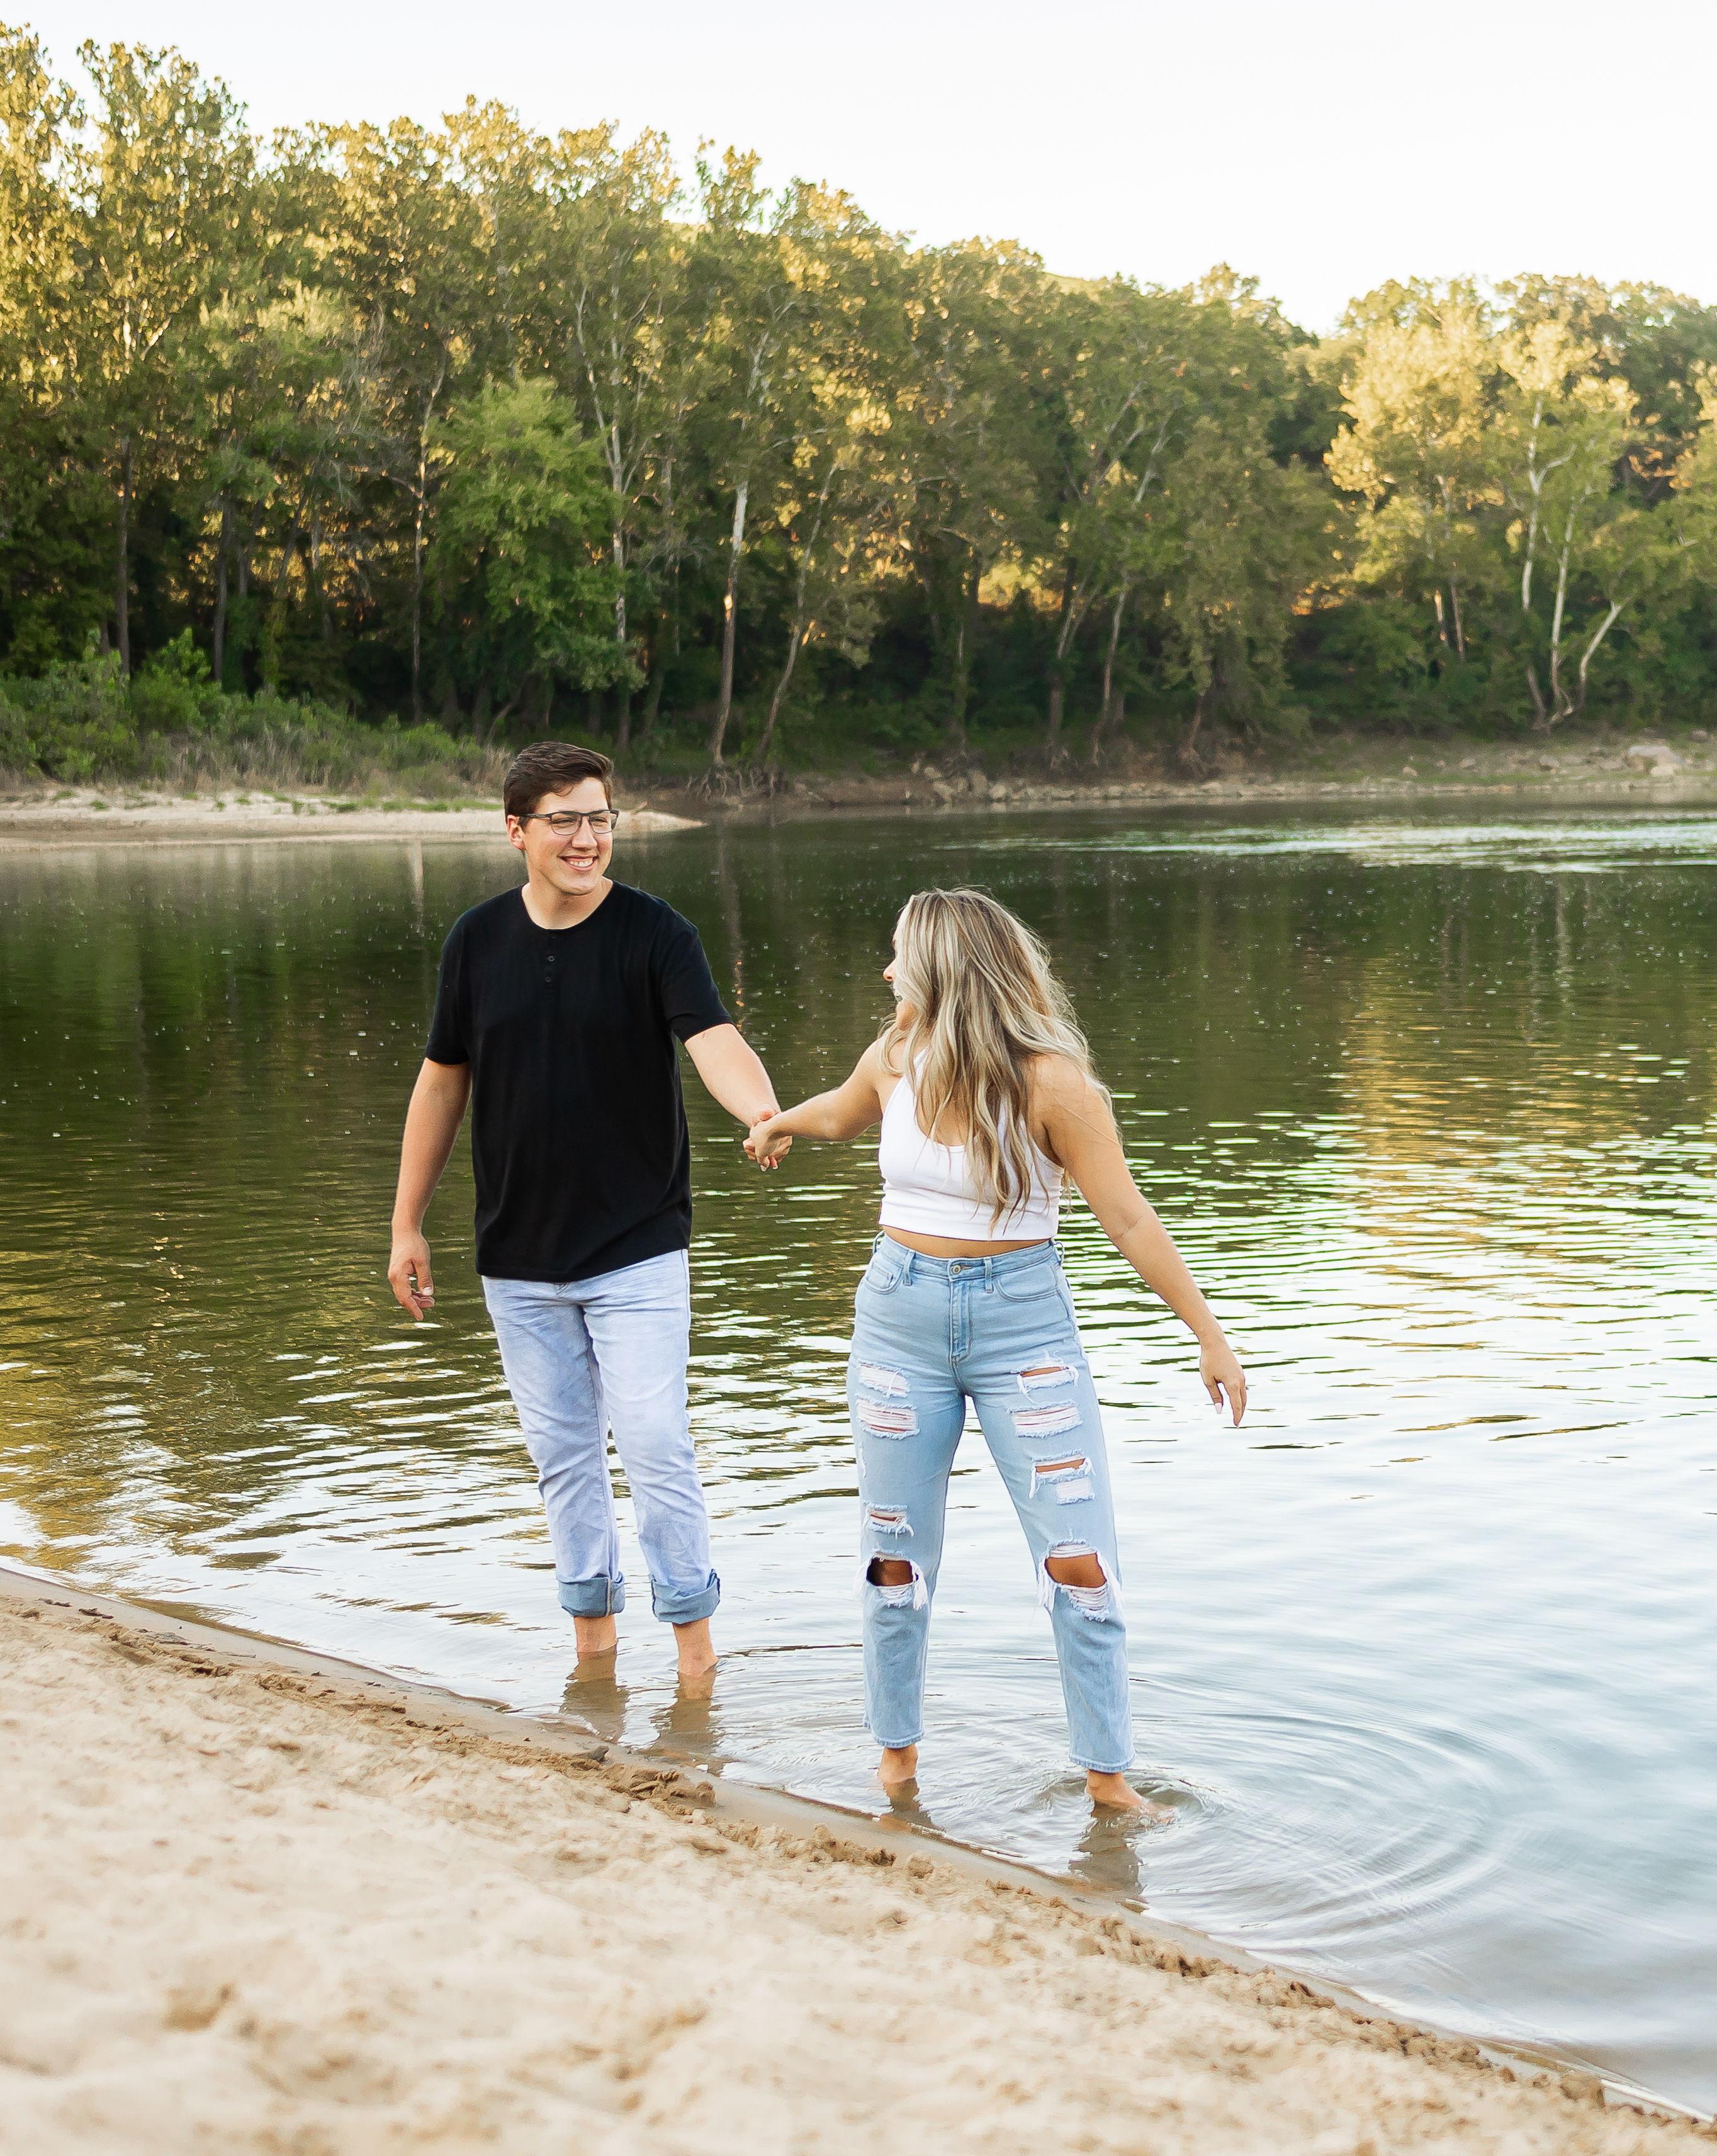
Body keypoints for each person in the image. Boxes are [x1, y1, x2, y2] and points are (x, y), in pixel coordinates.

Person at [745, 887, 1246, 1816]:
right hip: (898, 1321)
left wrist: (1208, 1335)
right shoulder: (895, 1055)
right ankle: (896, 1764)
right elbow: (844, 1114)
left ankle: (1108, 1782)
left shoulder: (1055, 1083)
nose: (887, 972)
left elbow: (1129, 1218)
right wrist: (781, 1123)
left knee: (1079, 1561)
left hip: (1025, 1328)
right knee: (893, 1560)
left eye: (901, 958)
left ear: (944, 971)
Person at [386, 742, 781, 1686]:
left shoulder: (656, 933)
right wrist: (407, 1223)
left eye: (599, 819)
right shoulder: (476, 942)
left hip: (637, 1245)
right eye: (563, 820)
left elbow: (714, 1038)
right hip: (518, 1257)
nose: (586, 839)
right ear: (516, 830)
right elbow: (442, 1084)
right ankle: (593, 1648)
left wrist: (762, 1112)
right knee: (563, 1458)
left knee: (654, 1443)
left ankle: (693, 1664)